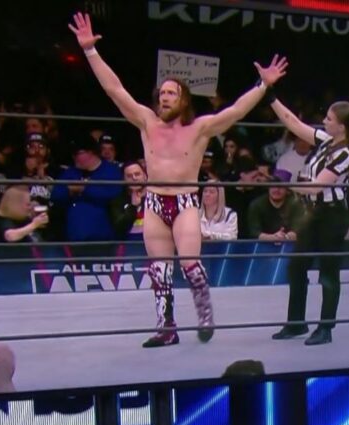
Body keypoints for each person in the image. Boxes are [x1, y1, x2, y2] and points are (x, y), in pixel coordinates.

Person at [69, 12, 287, 347]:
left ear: (183, 99)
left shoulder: (200, 128)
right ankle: (166, 328)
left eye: (171, 93)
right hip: (155, 202)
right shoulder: (146, 122)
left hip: (184, 202)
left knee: (190, 264)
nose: (165, 97)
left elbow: (236, 111)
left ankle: (204, 315)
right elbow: (115, 90)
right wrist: (89, 51)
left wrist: (263, 85)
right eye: (162, 92)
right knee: (158, 269)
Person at [265, 86, 349, 345]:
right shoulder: (325, 141)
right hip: (313, 213)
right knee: (296, 266)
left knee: (328, 273)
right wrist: (270, 95)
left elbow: (316, 186)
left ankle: (325, 328)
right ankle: (296, 323)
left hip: (332, 217)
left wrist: (283, 182)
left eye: (329, 119)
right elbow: (294, 124)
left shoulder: (344, 154)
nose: (324, 121)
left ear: (341, 126)